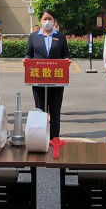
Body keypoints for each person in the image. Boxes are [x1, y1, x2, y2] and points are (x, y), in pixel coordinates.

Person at [25, 10, 70, 139]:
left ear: (54, 20)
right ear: (40, 20)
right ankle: (40, 138)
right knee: (40, 110)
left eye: (50, 19)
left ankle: (54, 138)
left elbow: (65, 54)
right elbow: (29, 54)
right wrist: (26, 60)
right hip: (38, 80)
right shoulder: (34, 36)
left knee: (55, 110)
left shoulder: (61, 37)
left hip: (56, 80)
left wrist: (66, 60)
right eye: (45, 19)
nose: (47, 21)